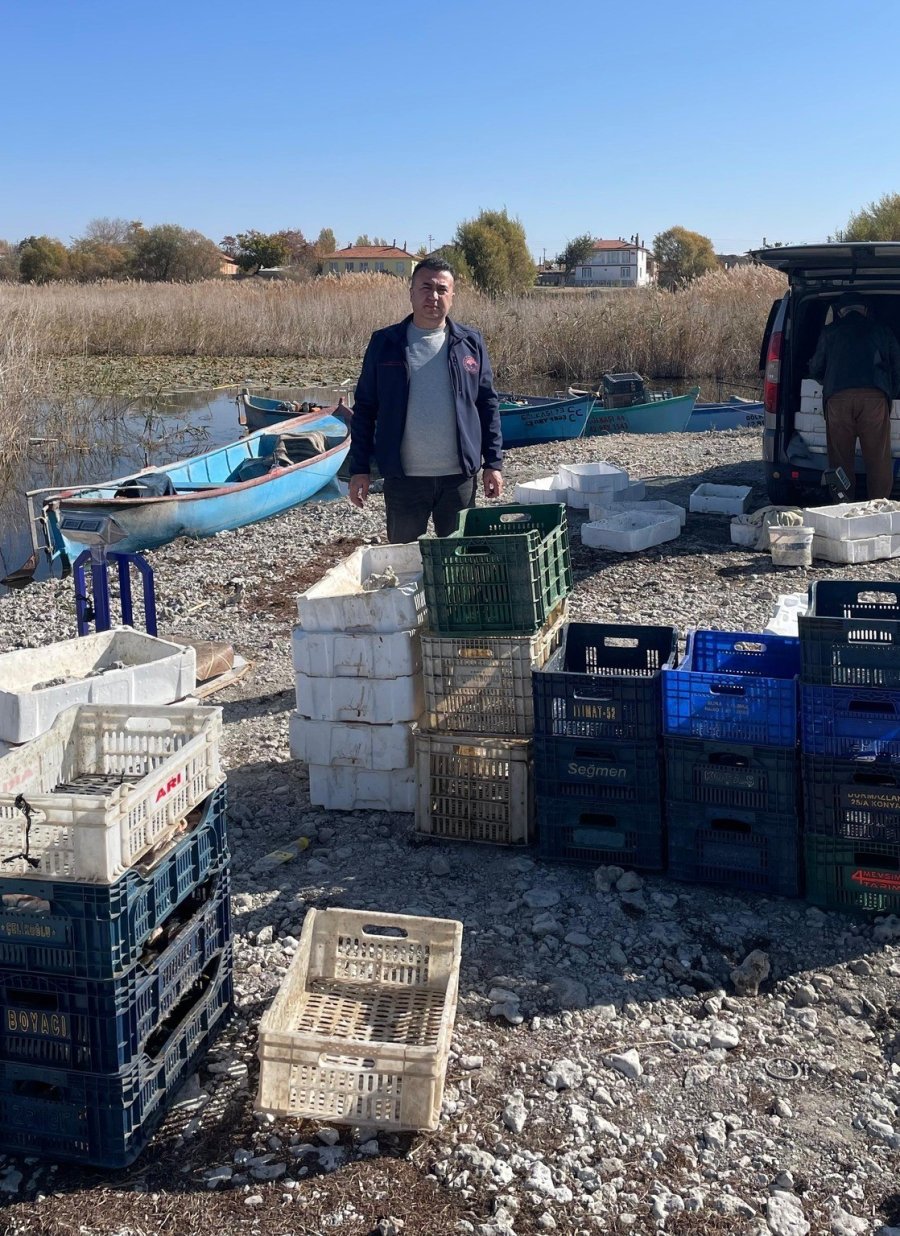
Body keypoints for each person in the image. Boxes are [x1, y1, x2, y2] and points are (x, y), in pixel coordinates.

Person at [347, 257, 503, 542]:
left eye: (442, 289)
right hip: (403, 480)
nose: (433, 297)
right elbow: (366, 408)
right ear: (411, 292)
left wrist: (493, 463)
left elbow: (487, 404)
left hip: (459, 478)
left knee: (459, 562)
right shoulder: (385, 343)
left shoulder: (470, 342)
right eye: (425, 288)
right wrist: (359, 469)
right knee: (403, 563)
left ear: (452, 296)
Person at [808, 290, 900, 500]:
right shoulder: (882, 331)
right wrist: (890, 393)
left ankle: (842, 503)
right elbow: (897, 365)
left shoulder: (830, 331)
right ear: (866, 310)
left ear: (840, 311)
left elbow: (815, 367)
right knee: (878, 457)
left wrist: (830, 379)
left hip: (838, 398)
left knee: (840, 458)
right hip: (874, 397)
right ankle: (877, 506)